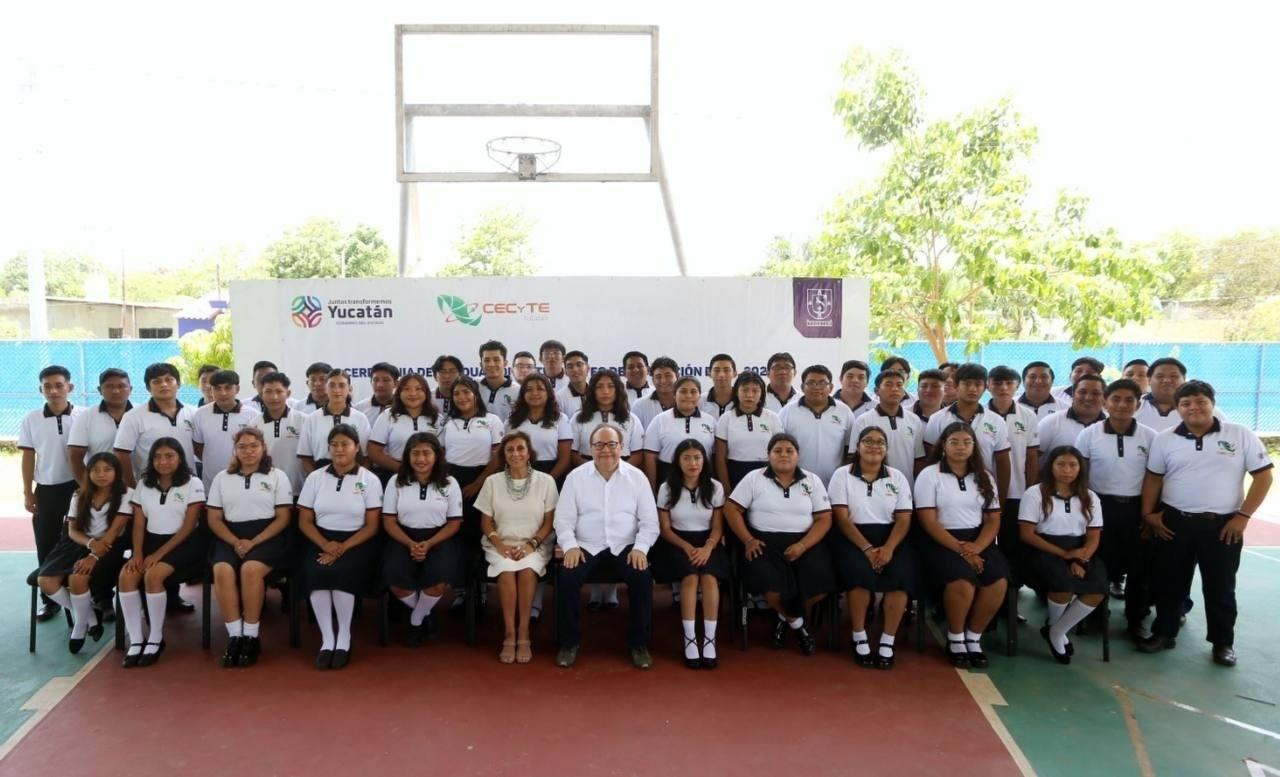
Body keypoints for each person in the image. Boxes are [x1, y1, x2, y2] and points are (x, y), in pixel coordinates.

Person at [1138, 381, 1273, 667]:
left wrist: (1242, 517)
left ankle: (1223, 643)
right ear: (1178, 409)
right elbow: (1154, 478)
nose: (1193, 408)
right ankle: (1164, 633)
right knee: (1169, 582)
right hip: (1174, 522)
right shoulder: (1165, 438)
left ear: (1212, 403)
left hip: (1224, 525)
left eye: (1200, 401)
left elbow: (1263, 478)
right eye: (1185, 403)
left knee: (1221, 586)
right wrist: (1149, 514)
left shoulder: (1239, 434)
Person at [554, 424, 659, 669]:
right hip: (586, 545)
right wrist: (569, 546)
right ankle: (569, 643)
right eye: (599, 445)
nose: (606, 450)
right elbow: (563, 520)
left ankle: (639, 644)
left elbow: (650, 522)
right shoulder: (576, 477)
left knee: (642, 577)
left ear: (622, 447)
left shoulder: (637, 477)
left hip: (626, 545)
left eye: (612, 444)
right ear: (590, 449)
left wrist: (641, 548)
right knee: (567, 578)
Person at [724, 433, 834, 655]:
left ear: (798, 455)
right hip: (763, 543)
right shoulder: (754, 478)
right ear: (768, 455)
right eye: (778, 451)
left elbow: (824, 519)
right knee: (765, 577)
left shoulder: (812, 480)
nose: (784, 454)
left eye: (789, 451)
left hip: (805, 542)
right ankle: (799, 625)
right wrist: (748, 539)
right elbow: (731, 508)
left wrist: (803, 546)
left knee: (823, 578)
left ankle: (784, 618)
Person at [914, 422, 1010, 668]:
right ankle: (955, 637)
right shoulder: (929, 474)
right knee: (962, 581)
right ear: (943, 446)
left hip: (978, 540)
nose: (961, 447)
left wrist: (977, 547)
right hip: (941, 540)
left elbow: (992, 519)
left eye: (967, 442)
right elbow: (928, 521)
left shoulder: (984, 476)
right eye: (954, 442)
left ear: (974, 447)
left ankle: (973, 637)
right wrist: (961, 549)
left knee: (998, 580)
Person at [828, 426, 917, 669]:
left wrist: (888, 548)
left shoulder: (897, 477)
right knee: (859, 576)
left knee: (900, 577)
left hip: (891, 537)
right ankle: (859, 635)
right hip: (852, 537)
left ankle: (888, 640)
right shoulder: (842, 475)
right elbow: (842, 518)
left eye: (880, 442)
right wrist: (867, 549)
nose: (874, 445)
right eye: (868, 441)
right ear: (857, 446)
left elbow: (904, 518)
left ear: (887, 449)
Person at [206, 427, 294, 668]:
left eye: (253, 445)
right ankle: (235, 635)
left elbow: (283, 517)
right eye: (242, 446)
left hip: (268, 536)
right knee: (222, 570)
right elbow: (214, 518)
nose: (248, 451)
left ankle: (252, 636)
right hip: (230, 535)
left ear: (263, 447)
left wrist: (253, 542)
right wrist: (235, 541)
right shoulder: (222, 478)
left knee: (250, 570)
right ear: (235, 450)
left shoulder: (277, 476)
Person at [298, 424, 384, 670]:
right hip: (319, 538)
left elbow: (371, 526)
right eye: (334, 444)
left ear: (357, 448)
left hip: (357, 540)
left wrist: (341, 548)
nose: (339, 449)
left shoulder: (370, 480)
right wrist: (325, 544)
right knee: (316, 573)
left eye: (345, 444)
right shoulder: (316, 477)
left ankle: (344, 637)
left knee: (341, 573)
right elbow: (304, 520)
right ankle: (327, 639)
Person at [1074, 378, 1157, 632]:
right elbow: (1081, 476)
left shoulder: (1151, 437)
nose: (1122, 405)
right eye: (1116, 399)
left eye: (1129, 400)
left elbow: (1155, 478)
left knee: (1139, 567)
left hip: (1136, 509)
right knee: (1100, 565)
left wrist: (1148, 514)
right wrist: (1085, 512)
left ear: (1138, 404)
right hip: (1100, 508)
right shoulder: (1089, 435)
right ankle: (1096, 616)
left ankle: (1135, 619)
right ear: (1105, 402)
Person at [118, 438, 206, 667]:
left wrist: (159, 554)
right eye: (157, 457)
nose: (163, 461)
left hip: (185, 544)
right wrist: (137, 553)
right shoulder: (143, 484)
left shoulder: (193, 483)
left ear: (180, 458)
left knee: (153, 575)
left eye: (169, 456)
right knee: (127, 576)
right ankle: (137, 639)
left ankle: (156, 637)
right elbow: (138, 524)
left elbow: (189, 526)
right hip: (150, 543)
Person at [1018, 447, 1107, 665]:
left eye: (1072, 465)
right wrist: (1066, 555)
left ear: (1080, 468)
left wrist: (1080, 558)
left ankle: (1056, 630)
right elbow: (1027, 535)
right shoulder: (1035, 493)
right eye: (1061, 464)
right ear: (1050, 466)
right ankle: (1057, 632)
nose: (1067, 470)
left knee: (1098, 590)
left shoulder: (1090, 496)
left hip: (1080, 550)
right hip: (1043, 549)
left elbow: (1094, 536)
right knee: (1062, 585)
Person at [36, 452, 130, 654]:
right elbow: (72, 531)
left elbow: (113, 533)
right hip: (78, 542)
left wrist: (94, 555)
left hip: (109, 545)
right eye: (95, 470)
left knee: (77, 578)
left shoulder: (126, 494)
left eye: (107, 469)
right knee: (45, 581)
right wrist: (89, 544)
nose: (101, 474)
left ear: (117, 472)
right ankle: (89, 618)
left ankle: (79, 629)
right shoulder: (79, 495)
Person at [476, 431, 557, 664]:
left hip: (535, 543)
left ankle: (524, 633)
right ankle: (509, 634)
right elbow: (485, 521)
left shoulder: (546, 481)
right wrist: (500, 546)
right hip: (499, 543)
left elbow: (549, 522)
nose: (515, 454)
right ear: (503, 454)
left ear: (529, 452)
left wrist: (531, 545)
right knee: (507, 572)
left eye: (520, 448)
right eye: (510, 450)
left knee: (527, 570)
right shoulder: (493, 482)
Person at [382, 432, 464, 647]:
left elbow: (454, 523)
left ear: (436, 455)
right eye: (415, 453)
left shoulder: (450, 482)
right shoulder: (396, 481)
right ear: (407, 456)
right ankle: (425, 612)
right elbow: (389, 521)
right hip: (403, 537)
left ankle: (417, 619)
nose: (421, 459)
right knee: (395, 581)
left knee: (438, 584)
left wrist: (429, 544)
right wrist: (411, 544)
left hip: (439, 537)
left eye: (426, 453)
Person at [651, 439, 728, 669]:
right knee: (691, 578)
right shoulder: (666, 488)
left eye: (697, 457)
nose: (692, 463)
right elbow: (664, 529)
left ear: (704, 460)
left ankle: (710, 639)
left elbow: (717, 526)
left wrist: (708, 547)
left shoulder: (715, 487)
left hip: (708, 541)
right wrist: (686, 547)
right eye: (686, 458)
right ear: (677, 461)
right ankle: (690, 637)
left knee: (710, 579)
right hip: (676, 542)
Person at [21, 365, 83, 621]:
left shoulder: (84, 415)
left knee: (81, 540)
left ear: (70, 387)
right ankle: (51, 600)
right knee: (45, 541)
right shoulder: (31, 419)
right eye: (48, 386)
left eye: (59, 385)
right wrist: (28, 491)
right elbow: (27, 456)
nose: (54, 390)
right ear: (41, 389)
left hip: (79, 487)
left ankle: (91, 595)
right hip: (46, 489)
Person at [923, 363, 1012, 502]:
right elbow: (930, 457)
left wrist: (1001, 500)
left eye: (978, 384)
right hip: (945, 493)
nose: (972, 389)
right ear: (956, 386)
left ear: (985, 388)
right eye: (967, 383)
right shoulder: (938, 419)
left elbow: (1002, 462)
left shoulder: (996, 421)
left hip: (983, 491)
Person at [986, 365, 1041, 577]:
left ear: (1017, 386)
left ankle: (1012, 596)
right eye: (998, 383)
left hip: (1017, 492)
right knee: (986, 542)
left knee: (1013, 545)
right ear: (988, 386)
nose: (1003, 387)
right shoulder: (980, 415)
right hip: (984, 492)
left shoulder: (1027, 416)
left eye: (1009, 383)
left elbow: (1032, 456)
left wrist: (1031, 491)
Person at [113, 362, 198, 489]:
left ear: (179, 383)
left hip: (188, 485)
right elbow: (121, 453)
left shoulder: (193, 412)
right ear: (148, 387)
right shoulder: (133, 416)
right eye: (156, 381)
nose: (164, 385)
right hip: (150, 487)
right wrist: (132, 487)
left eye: (169, 380)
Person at [779, 365, 855, 484]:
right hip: (796, 482)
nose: (817, 387)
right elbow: (778, 449)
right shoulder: (787, 412)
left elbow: (850, 450)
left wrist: (843, 478)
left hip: (834, 483)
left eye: (822, 383)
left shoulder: (844, 412)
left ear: (831, 387)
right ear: (802, 387)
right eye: (811, 383)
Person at [850, 369, 926, 481]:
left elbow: (918, 458)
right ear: (877, 391)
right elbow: (853, 457)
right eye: (888, 384)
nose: (895, 389)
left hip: (905, 486)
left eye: (899, 385)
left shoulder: (914, 420)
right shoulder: (863, 420)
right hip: (872, 485)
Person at [643, 376, 717, 491]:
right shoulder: (660, 420)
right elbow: (650, 457)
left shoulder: (710, 421)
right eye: (683, 391)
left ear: (699, 396)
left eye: (693, 392)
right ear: (674, 394)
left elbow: (715, 455)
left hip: (702, 479)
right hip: (667, 478)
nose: (688, 396)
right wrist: (651, 489)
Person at [713, 372, 784, 491]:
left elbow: (779, 452)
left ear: (762, 394)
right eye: (745, 390)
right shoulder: (726, 418)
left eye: (755, 391)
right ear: (736, 392)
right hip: (735, 473)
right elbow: (720, 458)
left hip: (766, 473)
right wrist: (726, 488)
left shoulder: (772, 418)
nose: (749, 395)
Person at [191, 369, 261, 490]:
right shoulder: (200, 414)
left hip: (244, 482)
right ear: (211, 390)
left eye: (228, 388)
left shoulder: (253, 415)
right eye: (218, 388)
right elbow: (198, 446)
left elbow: (258, 448)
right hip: (211, 484)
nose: (223, 393)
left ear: (237, 389)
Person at [368, 373, 442, 486]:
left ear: (426, 392)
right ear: (398, 393)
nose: (413, 393)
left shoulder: (437, 418)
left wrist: (426, 471)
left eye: (418, 389)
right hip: (395, 475)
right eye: (406, 389)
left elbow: (442, 451)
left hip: (430, 476)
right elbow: (374, 451)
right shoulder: (388, 416)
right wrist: (402, 469)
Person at [297, 368, 371, 476]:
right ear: (326, 388)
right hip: (321, 474)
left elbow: (367, 457)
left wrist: (356, 479)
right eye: (332, 385)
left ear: (349, 389)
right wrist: (318, 480)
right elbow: (305, 458)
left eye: (341, 385)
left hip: (353, 475)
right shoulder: (312, 419)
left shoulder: (360, 418)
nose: (336, 390)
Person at [67, 368, 133, 486]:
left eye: (121, 386)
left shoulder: (141, 414)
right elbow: (75, 456)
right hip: (102, 487)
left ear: (130, 389)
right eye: (109, 386)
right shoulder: (86, 417)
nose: (116, 391)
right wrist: (88, 488)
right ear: (99, 390)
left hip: (138, 485)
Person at [570, 370, 645, 468]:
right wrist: (593, 471)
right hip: (586, 471)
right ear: (593, 390)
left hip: (623, 471)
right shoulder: (578, 418)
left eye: (610, 386)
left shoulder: (631, 419)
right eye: (599, 387)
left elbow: (638, 454)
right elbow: (571, 452)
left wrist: (618, 472)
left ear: (618, 390)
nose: (605, 391)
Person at [507, 373, 573, 482]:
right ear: (523, 394)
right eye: (529, 389)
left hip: (552, 475)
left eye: (540, 389)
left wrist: (547, 482)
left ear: (548, 393)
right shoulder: (512, 420)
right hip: (518, 475)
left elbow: (565, 460)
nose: (534, 393)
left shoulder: (560, 419)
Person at [250, 371, 306, 498]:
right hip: (266, 492)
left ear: (288, 394)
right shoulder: (253, 425)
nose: (274, 397)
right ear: (261, 394)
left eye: (279, 391)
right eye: (268, 392)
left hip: (299, 491)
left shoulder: (303, 421)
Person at [1036, 374, 1106, 453]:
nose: (1088, 397)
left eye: (1095, 393)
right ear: (1072, 395)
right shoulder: (1051, 422)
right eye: (1082, 392)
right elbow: (1033, 457)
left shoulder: (1112, 424)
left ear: (1104, 397)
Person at [1136, 357, 1199, 431]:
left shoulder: (1200, 408)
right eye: (1160, 376)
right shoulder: (1134, 405)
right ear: (1149, 380)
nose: (1167, 380)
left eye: (1173, 376)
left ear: (1184, 379)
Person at [478, 340, 520, 423]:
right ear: (481, 364)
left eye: (496, 360)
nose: (491, 364)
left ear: (505, 363)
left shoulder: (518, 391)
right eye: (486, 360)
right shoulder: (474, 387)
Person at [633, 356, 679, 430]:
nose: (663, 380)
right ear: (653, 380)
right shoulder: (640, 405)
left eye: (668, 376)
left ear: (677, 376)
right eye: (658, 377)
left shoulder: (687, 402)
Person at [554, 350, 591, 419]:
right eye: (570, 366)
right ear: (565, 372)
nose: (575, 369)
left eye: (579, 365)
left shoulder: (596, 392)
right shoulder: (559, 398)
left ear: (588, 368)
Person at [700, 353, 737, 418]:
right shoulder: (700, 400)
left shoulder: (741, 400)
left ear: (735, 373)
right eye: (717, 370)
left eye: (726, 370)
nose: (721, 374)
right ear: (709, 373)